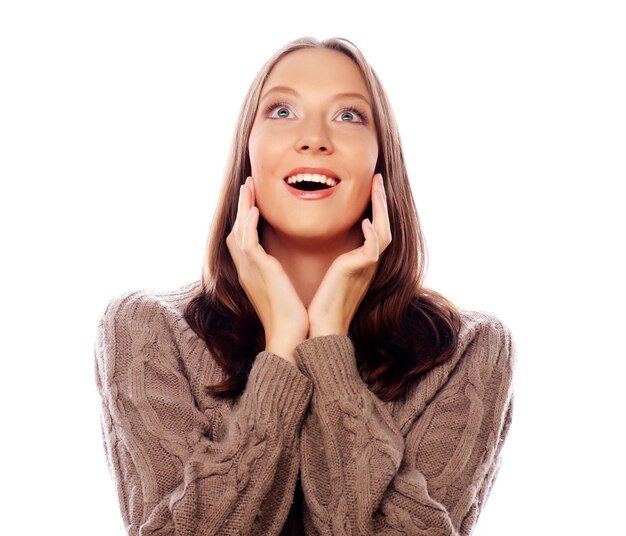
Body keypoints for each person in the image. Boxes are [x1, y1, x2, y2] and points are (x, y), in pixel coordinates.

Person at [94, 36, 515, 536]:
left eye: (349, 116)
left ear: (382, 163)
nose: (314, 137)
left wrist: (329, 345)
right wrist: (284, 344)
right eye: (282, 110)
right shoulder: (145, 328)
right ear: (247, 154)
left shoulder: (469, 349)